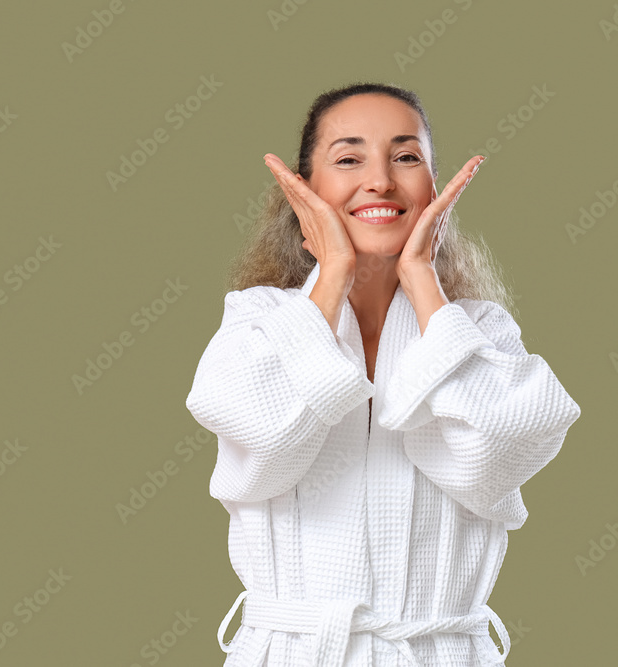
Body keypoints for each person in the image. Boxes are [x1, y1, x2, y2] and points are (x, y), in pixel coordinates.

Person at [184, 82, 582, 667]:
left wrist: (423, 278)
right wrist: (333, 272)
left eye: (406, 157)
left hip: (440, 652)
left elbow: (503, 454)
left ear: (434, 187)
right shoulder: (255, 322)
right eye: (349, 159)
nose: (381, 181)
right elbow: (263, 433)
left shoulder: (477, 331)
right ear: (304, 191)